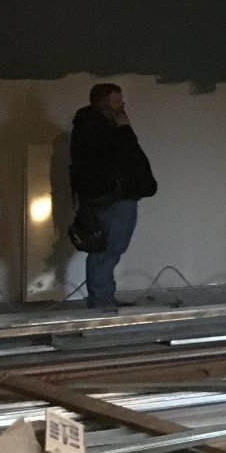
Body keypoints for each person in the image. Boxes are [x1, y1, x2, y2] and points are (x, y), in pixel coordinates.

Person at [70, 83, 157, 309]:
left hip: (112, 198)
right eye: (118, 102)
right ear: (105, 105)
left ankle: (104, 299)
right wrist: (124, 130)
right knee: (106, 252)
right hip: (112, 199)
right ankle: (102, 304)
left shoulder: (91, 127)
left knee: (109, 252)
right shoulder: (99, 130)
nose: (123, 106)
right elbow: (121, 157)